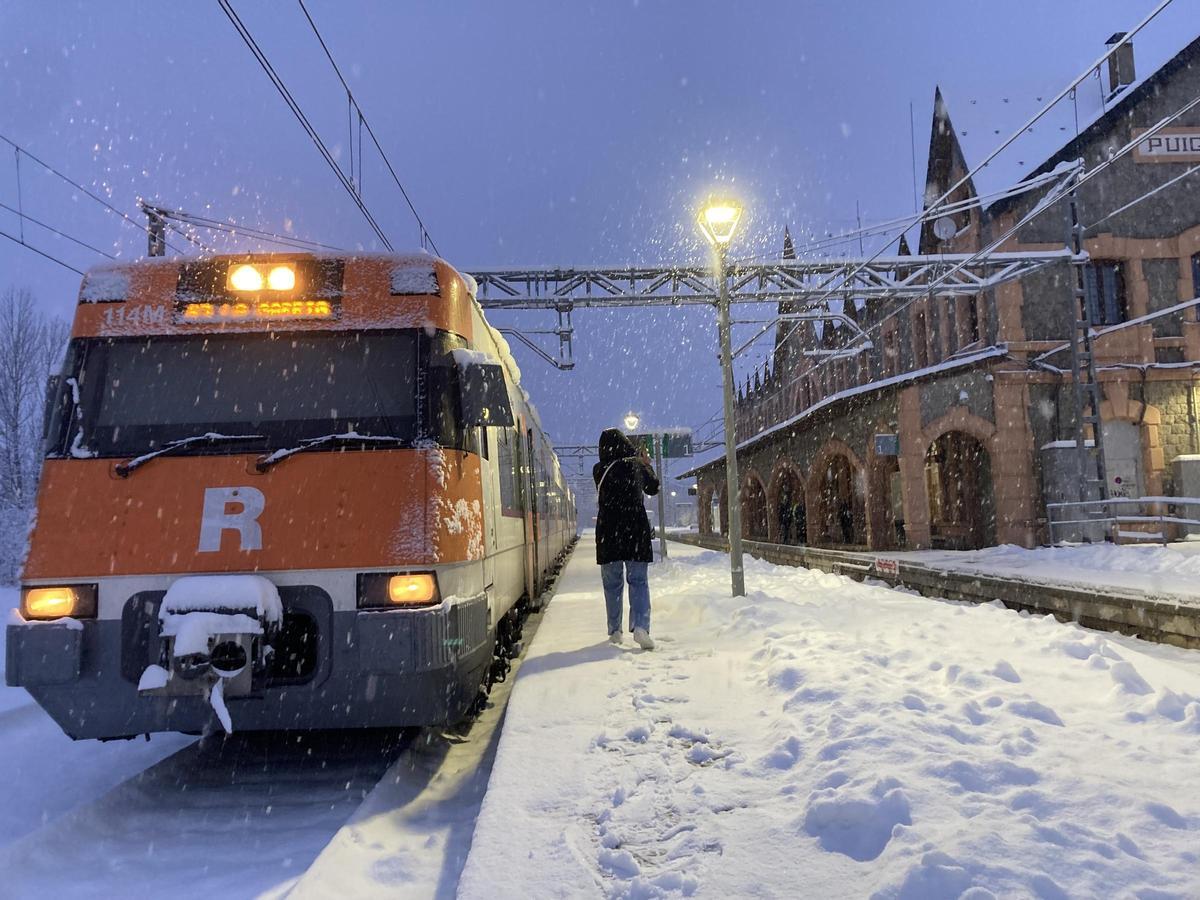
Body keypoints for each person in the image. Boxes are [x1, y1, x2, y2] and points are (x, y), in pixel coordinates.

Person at [593, 428, 660, 650]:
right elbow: (654, 488)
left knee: (612, 585)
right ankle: (640, 627)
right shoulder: (637, 466)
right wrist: (645, 463)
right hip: (635, 532)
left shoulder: (599, 470)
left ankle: (615, 631)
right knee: (638, 581)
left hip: (608, 534)